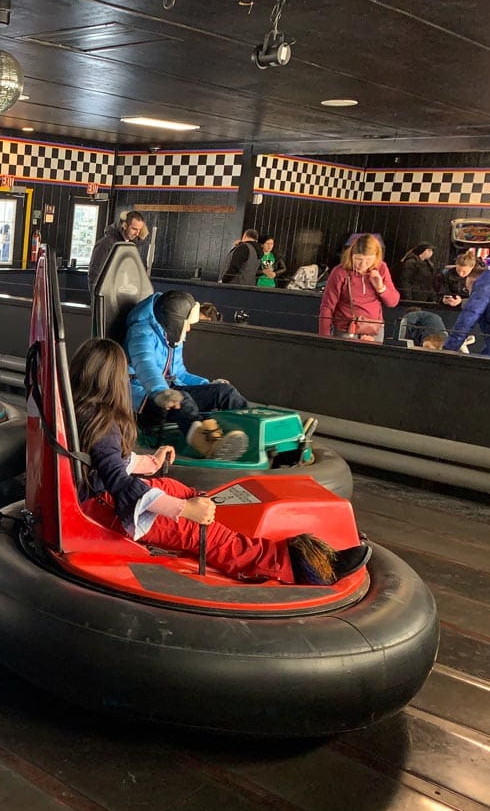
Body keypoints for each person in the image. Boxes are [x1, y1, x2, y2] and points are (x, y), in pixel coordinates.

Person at [69, 338, 371, 585]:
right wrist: (184, 510)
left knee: (178, 487)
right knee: (196, 528)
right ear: (114, 380)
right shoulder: (103, 422)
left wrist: (150, 462)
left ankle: (222, 532)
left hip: (98, 496)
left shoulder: (81, 412)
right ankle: (289, 567)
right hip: (107, 508)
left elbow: (104, 462)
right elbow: (119, 483)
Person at [124, 289, 250, 460]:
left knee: (224, 391)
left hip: (167, 389)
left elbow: (179, 373)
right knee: (182, 399)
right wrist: (160, 391)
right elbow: (145, 365)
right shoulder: (141, 332)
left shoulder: (171, 336)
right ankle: (208, 445)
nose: (189, 328)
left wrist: (207, 385)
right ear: (175, 322)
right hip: (143, 397)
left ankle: (250, 433)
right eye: (186, 323)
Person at [318, 233, 399, 341]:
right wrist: (323, 337)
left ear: (376, 257)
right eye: (358, 259)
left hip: (374, 330)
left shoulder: (381, 268)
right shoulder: (340, 272)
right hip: (346, 329)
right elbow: (327, 306)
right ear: (351, 255)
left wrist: (381, 288)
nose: (363, 265)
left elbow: (393, 302)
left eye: (369, 260)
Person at [442, 260, 490, 358]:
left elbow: (464, 325)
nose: (470, 294)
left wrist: (446, 352)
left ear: (473, 282)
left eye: (468, 289)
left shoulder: (482, 289)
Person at [87, 210, 148, 289]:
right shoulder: (106, 243)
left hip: (121, 290)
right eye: (134, 229)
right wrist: (98, 295)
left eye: (139, 230)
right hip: (105, 292)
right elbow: (94, 271)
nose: (137, 233)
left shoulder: (130, 245)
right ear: (125, 226)